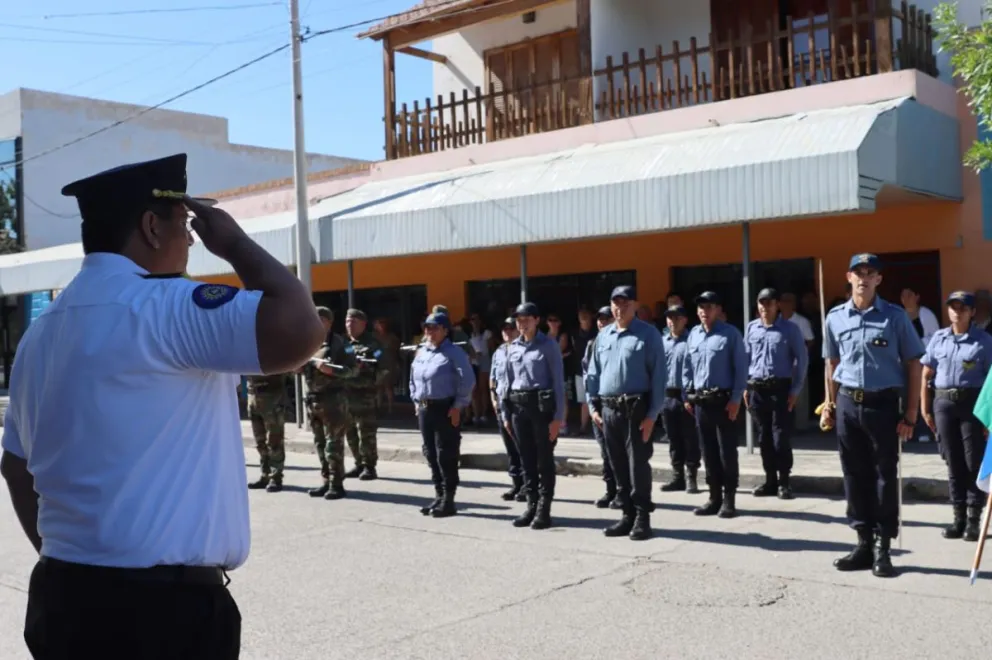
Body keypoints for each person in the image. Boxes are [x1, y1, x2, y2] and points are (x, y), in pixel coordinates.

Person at [0, 154, 324, 659]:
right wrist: (235, 243)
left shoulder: (39, 334)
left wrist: (73, 559)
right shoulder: (168, 306)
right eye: (185, 226)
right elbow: (301, 330)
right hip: (161, 616)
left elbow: (15, 466)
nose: (194, 241)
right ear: (152, 226)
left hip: (61, 598)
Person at [821, 253, 924, 578]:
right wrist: (829, 403)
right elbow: (831, 364)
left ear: (879, 279)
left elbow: (913, 363)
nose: (864, 278)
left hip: (882, 405)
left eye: (870, 273)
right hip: (848, 404)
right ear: (848, 277)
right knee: (853, 475)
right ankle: (862, 542)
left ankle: (883, 547)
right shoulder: (835, 317)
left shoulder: (894, 317)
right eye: (858, 272)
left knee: (883, 477)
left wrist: (910, 412)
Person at [585, 286, 666, 541]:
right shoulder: (604, 336)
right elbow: (593, 374)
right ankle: (626, 515)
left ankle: (643, 517)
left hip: (636, 408)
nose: (619, 308)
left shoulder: (648, 334)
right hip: (609, 409)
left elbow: (658, 377)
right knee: (617, 463)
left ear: (635, 305)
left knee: (637, 464)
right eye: (615, 303)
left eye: (624, 303)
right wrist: (592, 406)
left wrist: (653, 414)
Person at [920, 291, 992, 541]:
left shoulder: (984, 341)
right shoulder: (939, 339)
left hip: (973, 405)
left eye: (963, 308)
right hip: (943, 403)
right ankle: (958, 518)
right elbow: (926, 373)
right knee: (952, 461)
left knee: (973, 462)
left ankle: (974, 518)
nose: (956, 312)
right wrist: (924, 407)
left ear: (972, 312)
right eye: (952, 307)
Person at [497, 301, 566, 530]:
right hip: (518, 410)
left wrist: (558, 418)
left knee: (543, 461)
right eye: (519, 320)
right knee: (526, 460)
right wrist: (505, 413)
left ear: (537, 320)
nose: (522, 324)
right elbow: (505, 383)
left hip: (541, 410)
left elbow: (558, 383)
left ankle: (544, 509)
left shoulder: (548, 345)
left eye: (527, 319)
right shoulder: (511, 348)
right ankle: (531, 505)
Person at [683, 291, 748, 519]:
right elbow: (687, 367)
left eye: (709, 307)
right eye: (700, 307)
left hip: (723, 402)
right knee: (708, 452)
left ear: (718, 309)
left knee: (726, 452)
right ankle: (714, 497)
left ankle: (729, 499)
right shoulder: (693, 335)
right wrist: (687, 394)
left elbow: (741, 370)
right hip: (701, 402)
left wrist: (736, 400)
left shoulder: (730, 334)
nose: (704, 311)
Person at [743, 288, 809, 500]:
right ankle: (769, 480)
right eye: (761, 303)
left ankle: (784, 482)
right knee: (764, 437)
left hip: (780, 389)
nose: (764, 307)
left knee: (780, 436)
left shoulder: (790, 329)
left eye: (769, 303)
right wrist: (744, 386)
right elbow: (745, 359)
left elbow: (802, 360)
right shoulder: (751, 328)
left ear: (777, 305)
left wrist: (795, 390)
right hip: (758, 389)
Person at [409, 312, 475, 517]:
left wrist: (458, 406)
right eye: (427, 327)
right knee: (430, 453)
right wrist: (415, 400)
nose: (429, 331)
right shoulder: (422, 352)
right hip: (424, 408)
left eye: (434, 327)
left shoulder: (454, 352)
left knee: (446, 454)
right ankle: (438, 495)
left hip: (445, 408)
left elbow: (468, 380)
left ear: (445, 331)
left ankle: (449, 499)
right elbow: (413, 377)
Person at [304, 307, 359, 500]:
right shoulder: (308, 342)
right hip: (314, 400)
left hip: (333, 400)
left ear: (328, 322)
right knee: (320, 443)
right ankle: (326, 481)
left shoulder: (342, 344)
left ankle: (337, 484)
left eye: (320, 320)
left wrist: (331, 371)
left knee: (333, 443)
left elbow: (354, 370)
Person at [343, 308, 393, 481]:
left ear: (363, 324)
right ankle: (358, 463)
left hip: (365, 395)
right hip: (346, 395)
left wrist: (372, 383)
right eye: (347, 321)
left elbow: (385, 367)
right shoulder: (343, 344)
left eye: (354, 321)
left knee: (366, 433)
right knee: (350, 432)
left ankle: (369, 466)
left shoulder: (374, 345)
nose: (349, 325)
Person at [658, 304, 700, 494]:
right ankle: (678, 477)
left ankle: (692, 477)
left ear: (685, 320)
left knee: (690, 437)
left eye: (677, 317)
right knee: (673, 438)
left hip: (687, 396)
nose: (673, 321)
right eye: (669, 317)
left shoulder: (692, 340)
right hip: (667, 396)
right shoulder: (662, 341)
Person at [584, 306, 620, 508]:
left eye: (606, 319)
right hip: (598, 405)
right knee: (605, 452)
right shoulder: (592, 345)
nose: (601, 322)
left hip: (614, 404)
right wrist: (592, 408)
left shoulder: (617, 343)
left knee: (618, 452)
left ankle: (624, 492)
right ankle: (611, 490)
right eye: (599, 319)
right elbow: (589, 379)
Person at [490, 316, 526, 501]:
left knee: (523, 446)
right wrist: (493, 399)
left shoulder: (523, 348)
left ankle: (528, 485)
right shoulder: (499, 351)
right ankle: (516, 484)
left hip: (518, 403)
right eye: (504, 328)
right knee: (510, 448)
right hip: (502, 404)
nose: (507, 331)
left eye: (511, 328)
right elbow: (493, 378)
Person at [245, 373, 290, 492]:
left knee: (275, 440)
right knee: (260, 441)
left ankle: (276, 477)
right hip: (253, 396)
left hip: (272, 397)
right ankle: (265, 474)